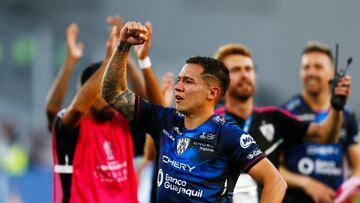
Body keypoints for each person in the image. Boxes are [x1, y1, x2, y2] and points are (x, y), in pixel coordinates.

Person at [101, 21, 287, 203]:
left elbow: (276, 182)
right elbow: (112, 93)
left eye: (188, 82)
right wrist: (123, 45)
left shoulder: (228, 134)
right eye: (179, 79)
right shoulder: (164, 120)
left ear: (212, 92)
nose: (177, 87)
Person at [212, 43, 351, 202]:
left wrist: (337, 108)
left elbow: (326, 135)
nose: (244, 74)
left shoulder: (275, 118)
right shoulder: (210, 123)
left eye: (248, 69)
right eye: (236, 70)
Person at [51, 27, 139, 203]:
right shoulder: (72, 125)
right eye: (103, 92)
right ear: (88, 92)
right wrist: (109, 60)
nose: (111, 98)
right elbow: (70, 109)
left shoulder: (123, 122)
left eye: (113, 92)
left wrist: (138, 59)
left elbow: (152, 102)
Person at [280, 41, 359, 203]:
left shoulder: (348, 116)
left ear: (333, 73)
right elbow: (274, 169)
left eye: (318, 67)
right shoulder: (286, 112)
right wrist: (307, 184)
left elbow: (358, 167)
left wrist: (348, 191)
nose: (311, 72)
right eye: (306, 67)